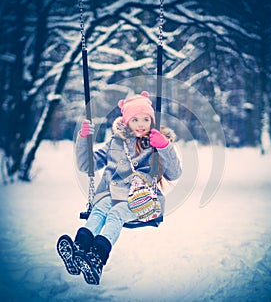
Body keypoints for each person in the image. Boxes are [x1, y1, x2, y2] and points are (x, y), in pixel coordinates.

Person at [57, 91, 182, 285]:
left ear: (151, 120)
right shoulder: (115, 143)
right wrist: (83, 137)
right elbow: (85, 165)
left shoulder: (156, 143)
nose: (141, 124)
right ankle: (79, 250)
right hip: (112, 194)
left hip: (142, 200)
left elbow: (175, 173)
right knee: (99, 210)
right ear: (126, 122)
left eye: (146, 119)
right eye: (135, 119)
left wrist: (164, 146)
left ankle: (97, 258)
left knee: (116, 213)